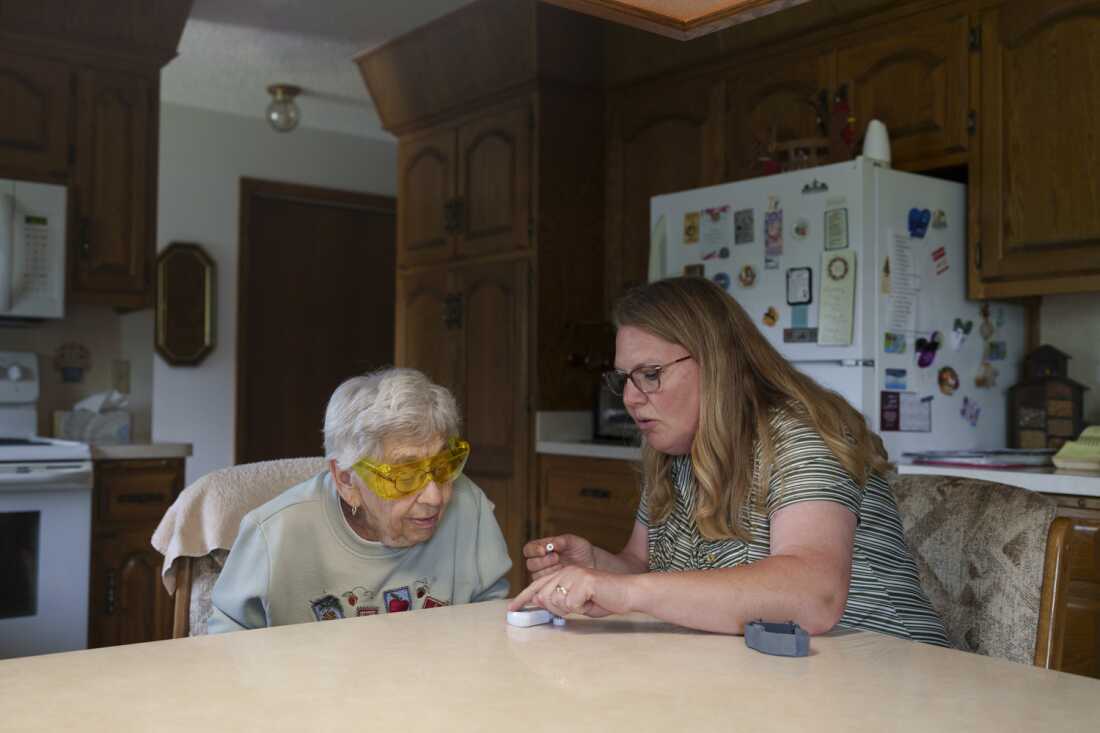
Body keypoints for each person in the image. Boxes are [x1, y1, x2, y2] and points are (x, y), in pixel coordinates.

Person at [510, 277, 948, 645]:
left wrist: (625, 590)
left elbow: (814, 596)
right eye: (624, 378)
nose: (628, 398)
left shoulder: (802, 436)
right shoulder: (674, 452)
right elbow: (644, 570)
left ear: (716, 363)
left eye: (650, 374)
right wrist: (598, 567)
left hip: (888, 675)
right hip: (774, 677)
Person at [208, 368, 511, 632]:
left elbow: (492, 628)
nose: (435, 497)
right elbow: (229, 652)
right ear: (346, 479)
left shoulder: (470, 508)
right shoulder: (274, 534)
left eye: (443, 467)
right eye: (405, 476)